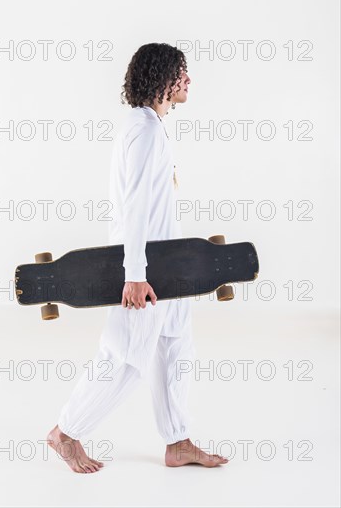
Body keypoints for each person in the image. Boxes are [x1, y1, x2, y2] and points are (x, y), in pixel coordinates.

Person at [46, 43, 229, 473]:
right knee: (126, 356)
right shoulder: (144, 130)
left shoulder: (150, 124)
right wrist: (134, 275)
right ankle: (66, 433)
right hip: (146, 268)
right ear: (163, 79)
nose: (188, 81)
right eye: (182, 73)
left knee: (176, 346)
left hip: (169, 264)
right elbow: (134, 207)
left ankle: (177, 442)